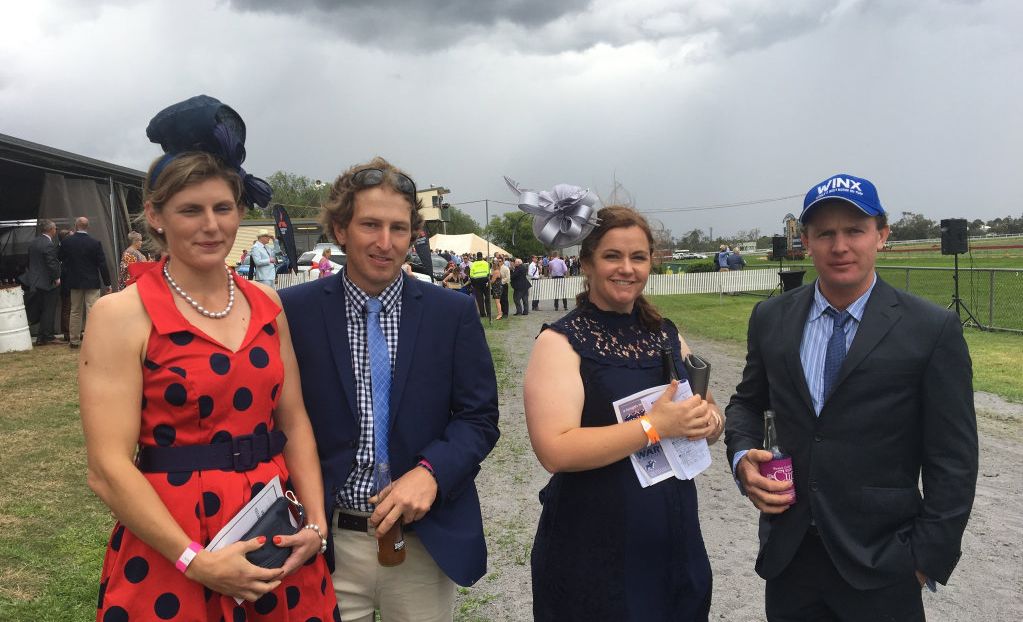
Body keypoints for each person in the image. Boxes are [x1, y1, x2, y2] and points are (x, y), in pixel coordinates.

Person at [80, 95, 338, 621]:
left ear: (240, 211)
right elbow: (108, 467)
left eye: (223, 208)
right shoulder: (121, 315)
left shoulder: (266, 304)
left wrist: (314, 524)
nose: (211, 225)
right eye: (190, 210)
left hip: (275, 535)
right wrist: (194, 562)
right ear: (155, 215)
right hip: (173, 545)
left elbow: (293, 420)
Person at [724, 173, 978, 622]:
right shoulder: (771, 318)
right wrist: (743, 456)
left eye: (854, 230)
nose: (840, 246)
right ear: (805, 241)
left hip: (884, 565)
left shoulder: (930, 328)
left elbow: (953, 458)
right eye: (825, 233)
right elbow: (746, 403)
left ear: (881, 236)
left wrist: (923, 561)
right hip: (791, 557)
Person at [280, 157, 500, 621]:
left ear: (413, 234)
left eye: (399, 228)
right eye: (370, 225)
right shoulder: (292, 312)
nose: (385, 243)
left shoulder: (451, 313)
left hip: (422, 542)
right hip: (325, 543)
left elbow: (478, 418)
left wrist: (432, 472)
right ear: (340, 229)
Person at [524, 205, 721, 621]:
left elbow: (701, 412)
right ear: (587, 264)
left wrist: (709, 421)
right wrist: (652, 426)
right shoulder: (560, 342)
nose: (626, 268)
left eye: (638, 257)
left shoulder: (665, 333)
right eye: (613, 256)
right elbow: (555, 450)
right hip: (594, 542)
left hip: (673, 536)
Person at [59, 216, 113, 349]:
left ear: (76, 226)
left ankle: (74, 340)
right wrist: (108, 283)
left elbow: (59, 257)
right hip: (91, 282)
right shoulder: (95, 243)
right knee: (92, 310)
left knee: (75, 311)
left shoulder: (67, 242)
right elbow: (102, 264)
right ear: (87, 227)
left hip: (74, 281)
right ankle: (92, 339)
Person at [23, 218, 62, 346]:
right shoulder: (48, 244)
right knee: (48, 310)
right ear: (51, 230)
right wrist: (57, 278)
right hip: (48, 282)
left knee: (42, 309)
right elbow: (51, 263)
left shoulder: (34, 242)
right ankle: (47, 336)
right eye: (55, 228)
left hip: (36, 281)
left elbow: (29, 261)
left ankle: (41, 337)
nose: (56, 230)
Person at [468, 251, 491, 318]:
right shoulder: (486, 263)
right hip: (485, 282)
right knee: (487, 298)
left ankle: (482, 314)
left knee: (480, 299)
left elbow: (471, 275)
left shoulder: (473, 264)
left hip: (477, 283)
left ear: (476, 257)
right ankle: (489, 313)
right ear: (482, 256)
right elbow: (489, 273)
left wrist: (473, 283)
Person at [498, 255, 511, 319]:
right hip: (498, 285)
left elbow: (508, 278)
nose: (499, 262)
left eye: (500, 261)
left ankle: (506, 313)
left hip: (504, 285)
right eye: (498, 261)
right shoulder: (497, 268)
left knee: (504, 299)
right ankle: (502, 312)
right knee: (500, 299)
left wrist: (501, 282)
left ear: (503, 261)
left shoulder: (505, 268)